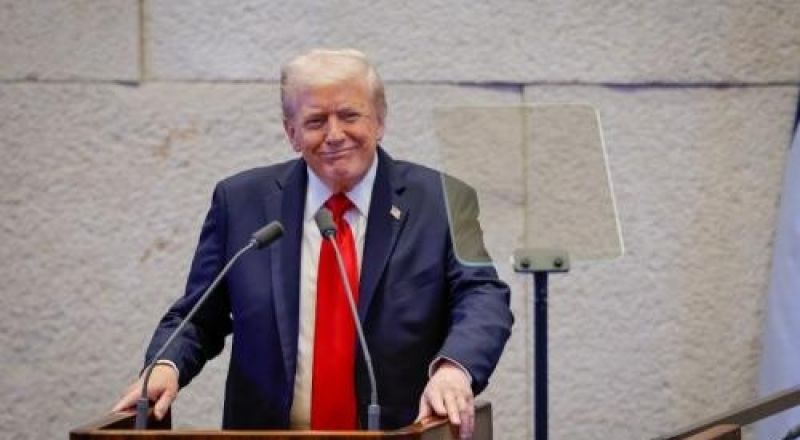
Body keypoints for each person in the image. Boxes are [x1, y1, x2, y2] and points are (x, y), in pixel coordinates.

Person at [113, 48, 513, 439]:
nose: (335, 135)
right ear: (292, 133)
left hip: (399, 431)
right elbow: (199, 315)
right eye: (316, 121)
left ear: (379, 121)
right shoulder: (241, 203)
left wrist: (454, 368)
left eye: (350, 115)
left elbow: (482, 296)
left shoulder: (442, 200)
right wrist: (165, 366)